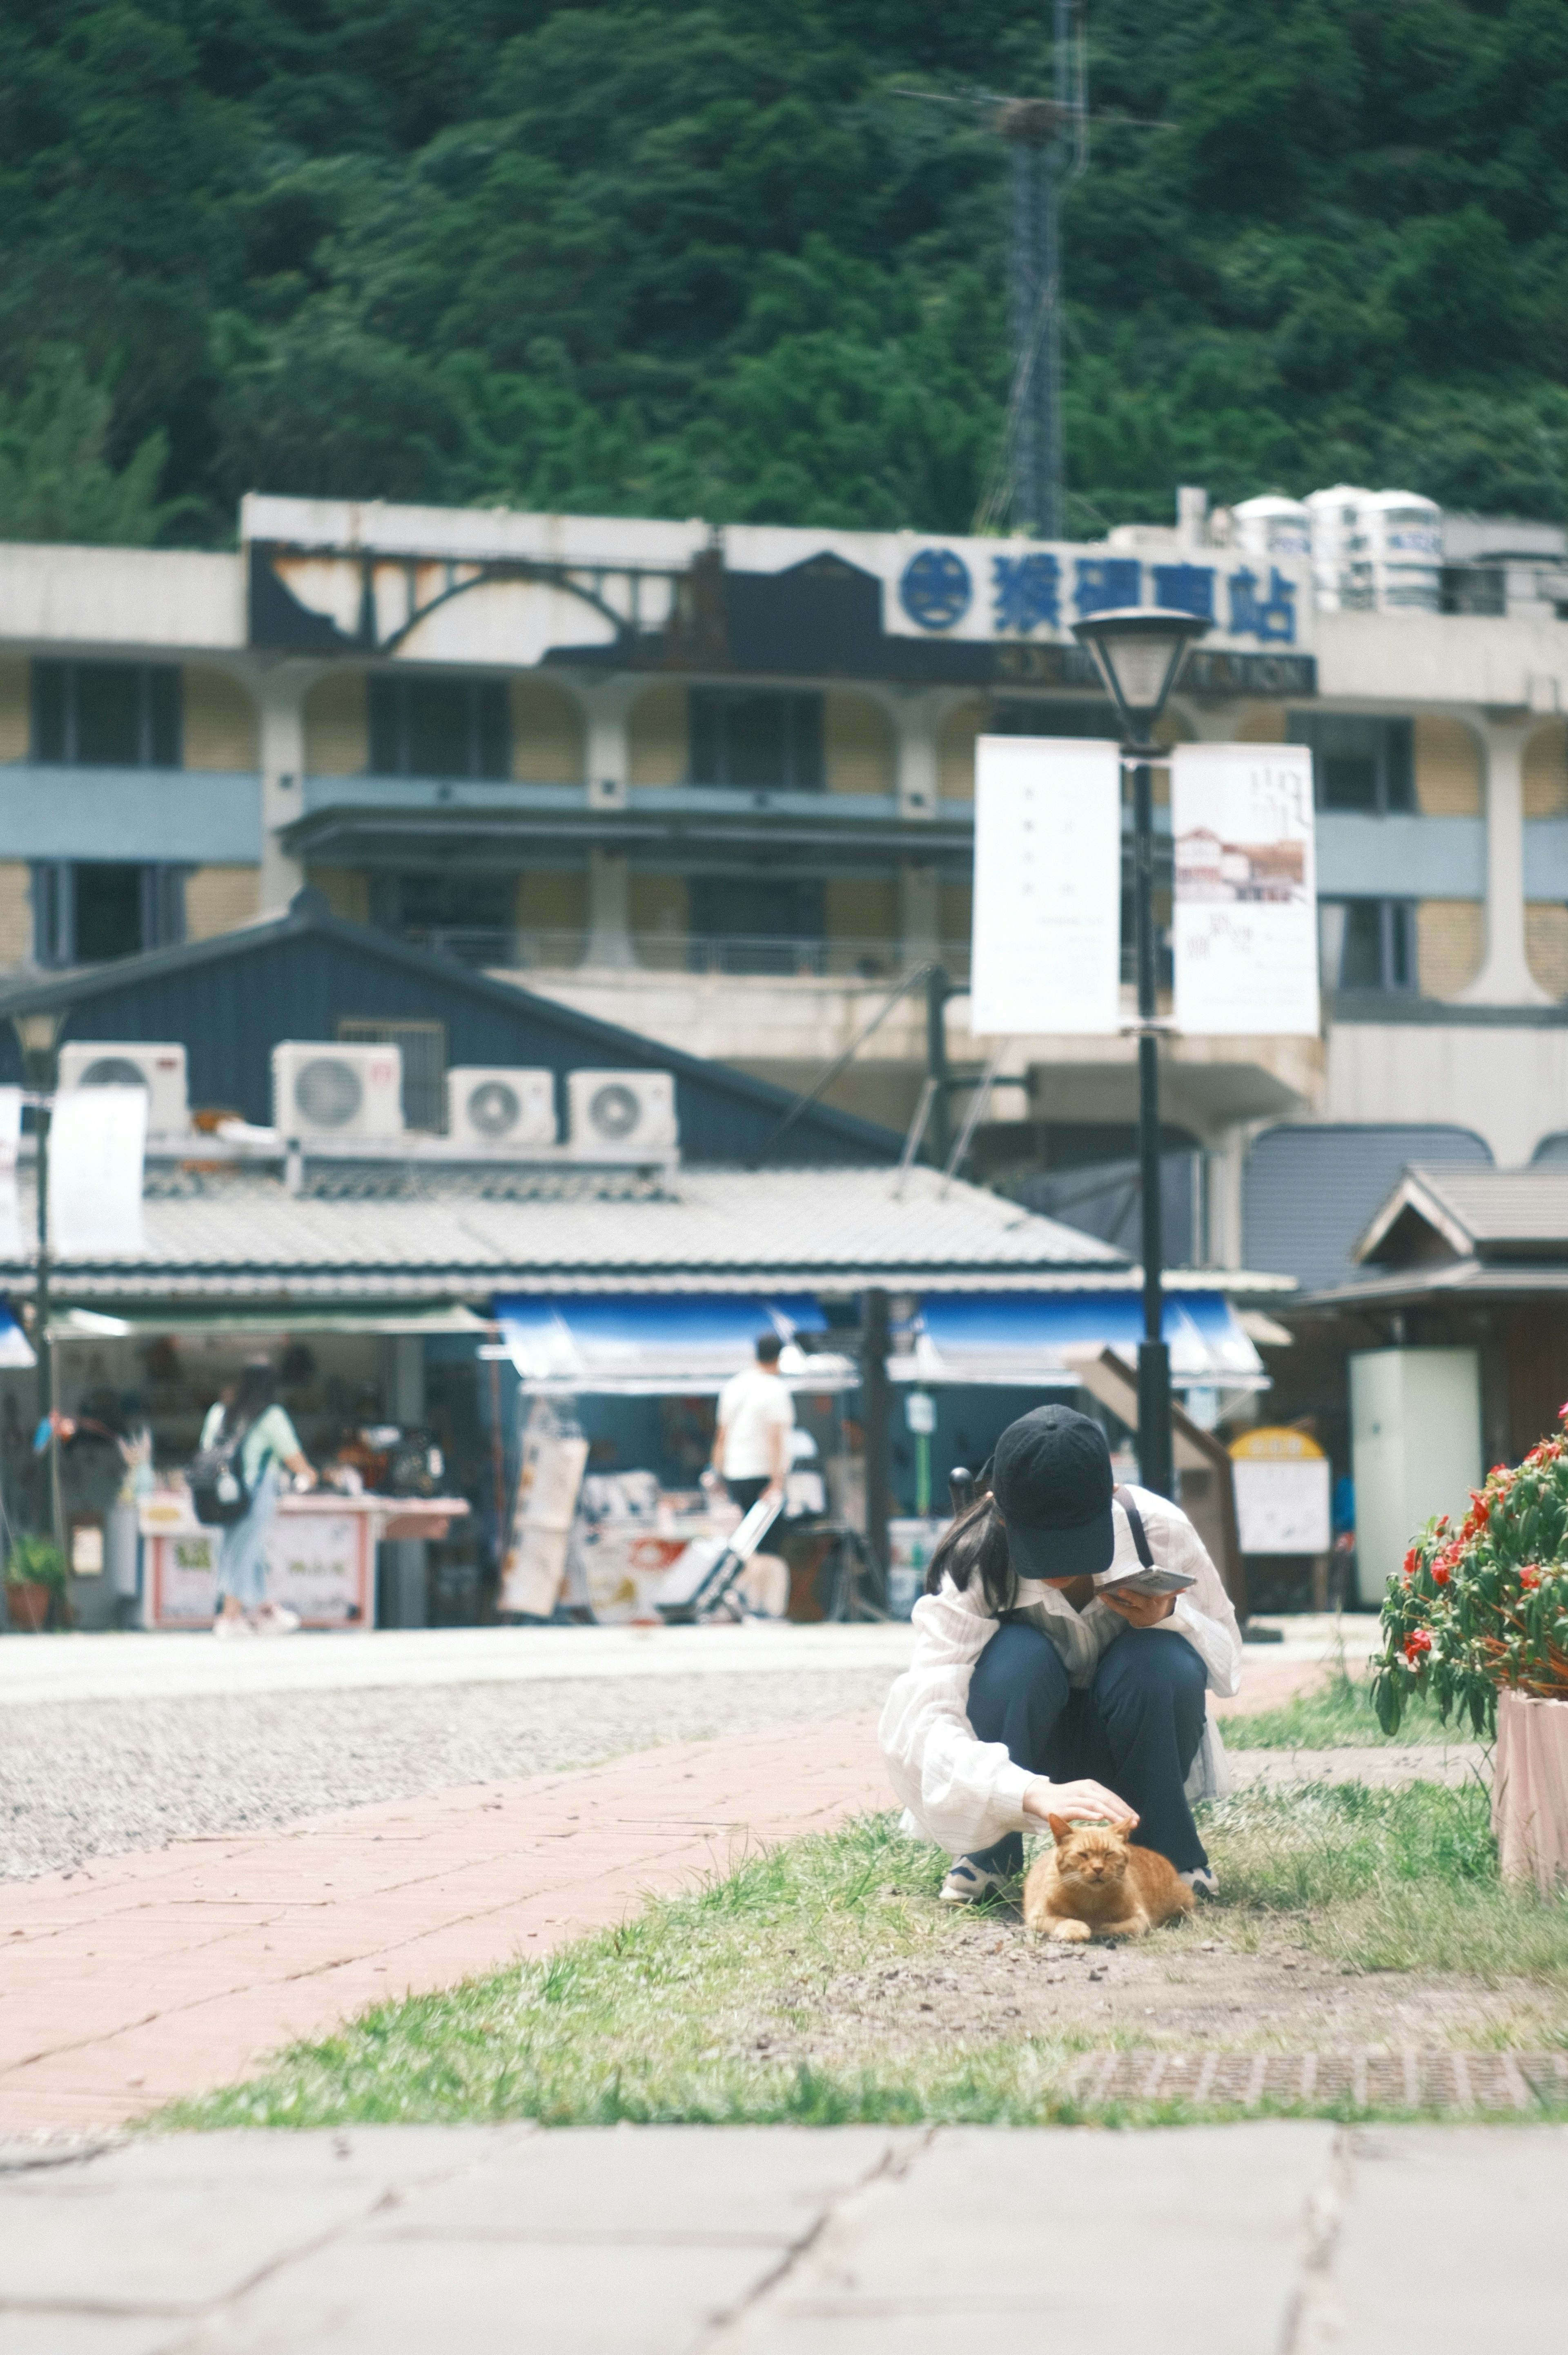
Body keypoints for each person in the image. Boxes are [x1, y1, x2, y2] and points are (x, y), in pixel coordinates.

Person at [880, 1403, 1242, 1903]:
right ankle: (989, 1855)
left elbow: (1229, 1669)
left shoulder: (1157, 1529)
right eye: (1039, 1547)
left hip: (1137, 1738)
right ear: (998, 1511)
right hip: (1023, 1755)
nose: (1058, 1568)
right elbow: (921, 1719)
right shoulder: (975, 1558)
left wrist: (1170, 1617)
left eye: (1077, 1542)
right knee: (1016, 1657)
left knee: (1162, 1661)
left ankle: (1168, 1852)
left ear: (1112, 1497)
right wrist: (1022, 1793)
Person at [201, 1362, 316, 1639]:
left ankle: (262, 1609)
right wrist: (309, 1475)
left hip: (219, 1494)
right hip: (254, 1493)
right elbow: (294, 1459)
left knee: (236, 1550)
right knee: (245, 1552)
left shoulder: (220, 1412)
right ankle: (229, 1617)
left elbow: (206, 1449)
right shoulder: (271, 1415)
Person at [709, 1333, 795, 1516]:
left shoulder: (733, 1386)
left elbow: (722, 1435)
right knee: (768, 1539)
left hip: (734, 1473)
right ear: (779, 1357)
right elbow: (775, 1437)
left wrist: (717, 1473)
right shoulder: (776, 1389)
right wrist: (777, 1481)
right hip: (762, 1474)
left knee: (745, 1538)